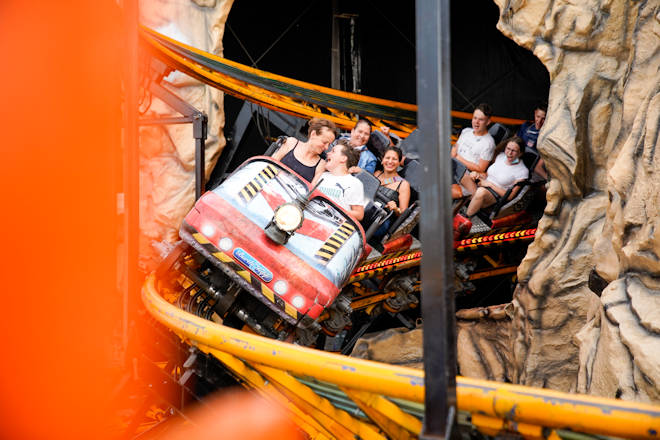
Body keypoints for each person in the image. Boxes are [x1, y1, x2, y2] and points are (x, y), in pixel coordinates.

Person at [463, 135, 529, 218]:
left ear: (520, 153)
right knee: (464, 176)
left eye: (514, 151)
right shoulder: (500, 156)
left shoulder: (522, 171)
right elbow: (487, 175)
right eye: (508, 149)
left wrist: (490, 185)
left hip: (494, 195)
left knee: (481, 192)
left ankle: (464, 221)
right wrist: (477, 174)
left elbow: (510, 197)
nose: (509, 153)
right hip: (482, 184)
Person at [312, 140, 366, 221]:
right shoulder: (323, 175)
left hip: (329, 223)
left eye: (333, 151)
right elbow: (310, 193)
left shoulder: (354, 183)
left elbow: (359, 214)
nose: (327, 153)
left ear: (343, 158)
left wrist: (335, 211)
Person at [451, 103, 496, 197]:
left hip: (466, 175)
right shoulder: (466, 131)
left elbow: (481, 168)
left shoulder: (488, 143)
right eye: (475, 118)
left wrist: (458, 158)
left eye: (481, 120)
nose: (476, 122)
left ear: (488, 122)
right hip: (452, 166)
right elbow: (455, 149)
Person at [272, 117, 337, 182]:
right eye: (324, 142)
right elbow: (270, 164)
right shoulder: (291, 143)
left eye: (329, 144)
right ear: (313, 134)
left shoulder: (321, 165)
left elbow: (311, 190)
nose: (326, 148)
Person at [371, 146, 411, 240]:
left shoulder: (403, 184)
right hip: (367, 211)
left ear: (398, 163)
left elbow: (403, 214)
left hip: (381, 221)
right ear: (382, 160)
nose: (390, 161)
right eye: (387, 158)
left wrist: (396, 209)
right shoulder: (377, 174)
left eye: (394, 159)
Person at [517, 102, 548, 179]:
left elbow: (539, 166)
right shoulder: (526, 126)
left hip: (530, 168)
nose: (539, 121)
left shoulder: (547, 137)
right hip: (516, 160)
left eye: (543, 118)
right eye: (538, 116)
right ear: (535, 113)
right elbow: (514, 142)